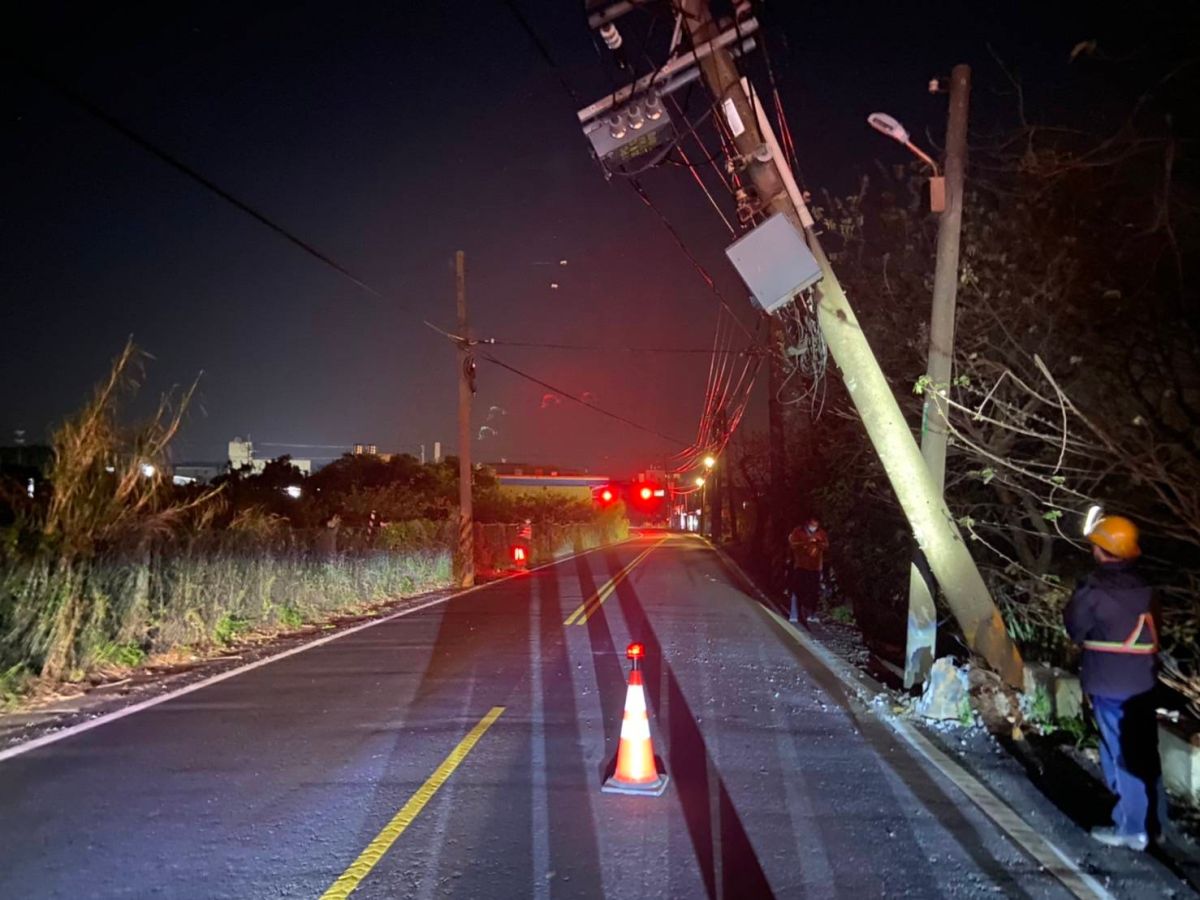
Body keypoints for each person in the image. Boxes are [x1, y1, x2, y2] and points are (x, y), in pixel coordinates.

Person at [1063, 513, 1168, 851]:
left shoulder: (1093, 589)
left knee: (1119, 752)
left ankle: (1131, 827)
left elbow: (1075, 628)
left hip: (1109, 681)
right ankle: (1155, 825)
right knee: (1144, 750)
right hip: (1144, 680)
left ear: (1100, 549)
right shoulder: (1146, 588)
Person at [787, 518, 829, 626]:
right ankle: (794, 614)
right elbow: (792, 544)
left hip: (815, 567)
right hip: (801, 566)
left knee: (814, 591)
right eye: (812, 523)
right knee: (797, 590)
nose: (814, 526)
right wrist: (806, 542)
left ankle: (812, 614)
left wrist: (818, 542)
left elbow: (826, 546)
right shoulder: (798, 531)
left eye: (816, 524)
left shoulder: (821, 533)